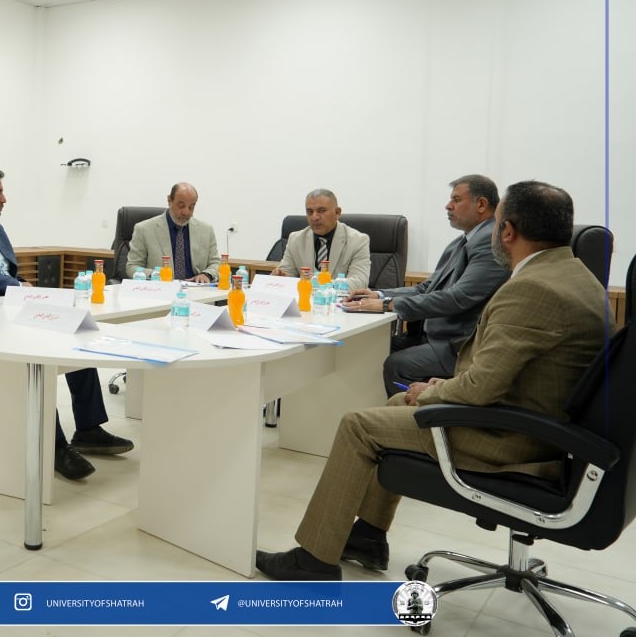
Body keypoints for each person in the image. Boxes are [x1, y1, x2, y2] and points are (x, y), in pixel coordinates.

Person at [256, 181, 611, 581]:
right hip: (545, 426)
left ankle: (313, 560)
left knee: (357, 425)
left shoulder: (532, 288)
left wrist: (435, 390)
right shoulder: (578, 277)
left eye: (496, 223)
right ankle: (369, 535)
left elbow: (481, 388)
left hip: (514, 438)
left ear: (508, 231)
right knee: (395, 404)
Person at [0, 167, 133, 480]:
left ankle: (89, 428)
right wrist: (15, 287)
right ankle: (54, 447)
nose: (4, 199)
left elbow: (7, 271)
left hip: (6, 306)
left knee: (75, 332)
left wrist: (23, 288)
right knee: (36, 358)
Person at [345, 175, 509, 397]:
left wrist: (388, 305)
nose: (448, 206)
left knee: (397, 364)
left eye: (456, 200)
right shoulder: (461, 242)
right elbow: (427, 288)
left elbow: (458, 298)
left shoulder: (490, 243)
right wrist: (379, 294)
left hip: (459, 344)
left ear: (481, 204)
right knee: (371, 348)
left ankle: (412, 418)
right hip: (431, 333)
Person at [270, 188, 371, 290]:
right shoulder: (295, 239)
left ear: (337, 213)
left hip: (340, 299)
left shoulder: (358, 241)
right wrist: (281, 277)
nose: (314, 217)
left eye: (321, 211)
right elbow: (287, 273)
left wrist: (317, 282)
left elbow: (359, 282)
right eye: (310, 212)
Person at [125, 183, 219, 282]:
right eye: (181, 206)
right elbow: (132, 267)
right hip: (161, 287)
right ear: (169, 200)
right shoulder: (144, 229)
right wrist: (156, 274)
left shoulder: (206, 230)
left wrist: (207, 274)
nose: (186, 212)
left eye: (191, 207)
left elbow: (215, 263)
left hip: (197, 288)